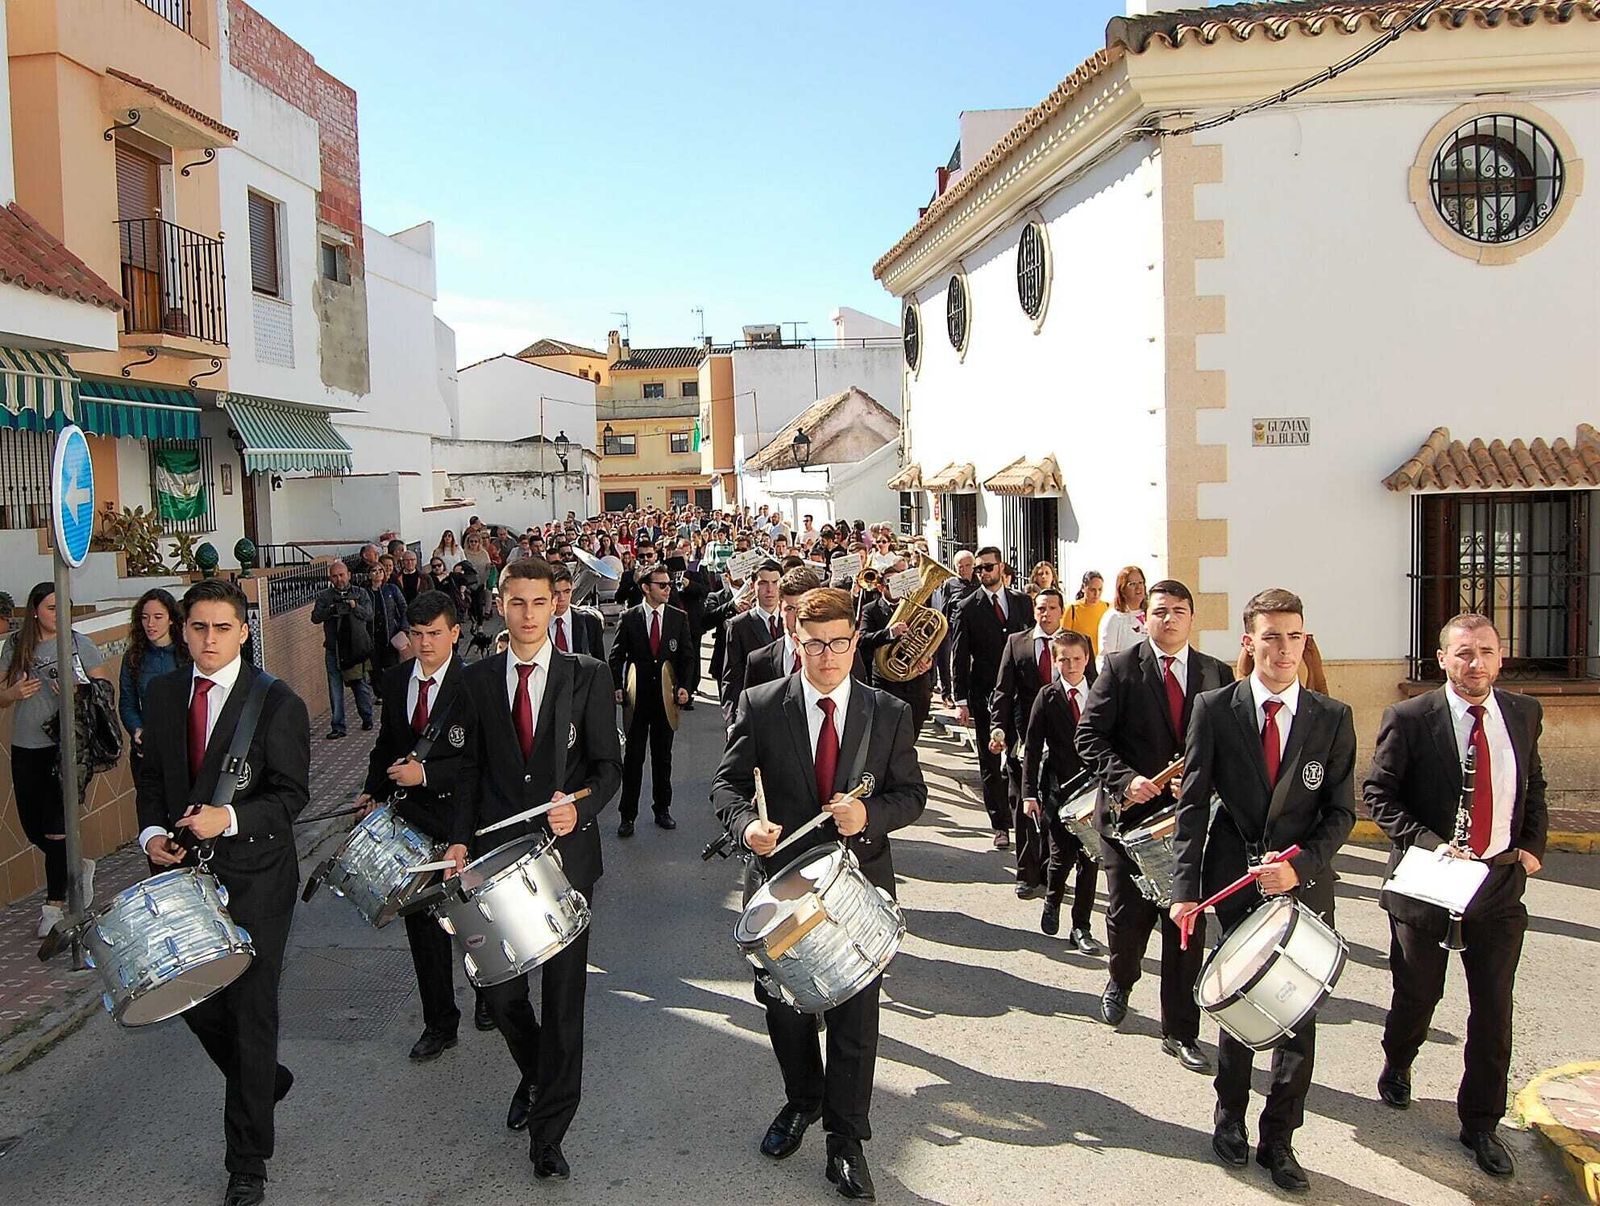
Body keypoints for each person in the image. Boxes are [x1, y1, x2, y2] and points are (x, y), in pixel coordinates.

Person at [711, 587, 927, 1202]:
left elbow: (911, 795)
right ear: (795, 643)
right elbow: (726, 787)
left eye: (837, 643)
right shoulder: (760, 704)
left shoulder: (888, 712)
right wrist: (745, 826)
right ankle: (802, 1100)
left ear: (855, 642)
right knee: (786, 1011)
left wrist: (870, 815)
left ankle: (845, 1142)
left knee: (857, 1020)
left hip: (858, 888)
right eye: (813, 644)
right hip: (782, 890)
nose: (826, 655)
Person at [1167, 589, 1357, 1193]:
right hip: (1235, 884)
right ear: (1248, 642)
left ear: (1306, 641)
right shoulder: (1215, 708)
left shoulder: (1332, 717)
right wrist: (1183, 891)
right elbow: (1193, 806)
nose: (1283, 649)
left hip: (1301, 889)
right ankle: (1229, 1116)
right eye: (1270, 636)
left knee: (1298, 1021)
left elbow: (1341, 814)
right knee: (1239, 1010)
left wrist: (1299, 868)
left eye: (1293, 636)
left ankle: (1281, 1139)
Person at [443, 557, 622, 1180]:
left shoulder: (588, 676)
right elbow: (465, 771)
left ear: (555, 605)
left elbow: (608, 767)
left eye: (537, 602)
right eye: (515, 602)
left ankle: (550, 1133)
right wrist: (459, 842)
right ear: (500, 602)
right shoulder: (476, 679)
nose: (525, 614)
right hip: (495, 865)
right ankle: (540, 1074)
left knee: (565, 998)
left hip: (567, 862)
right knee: (500, 991)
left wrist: (583, 807)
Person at [136, 578, 311, 1206]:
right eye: (198, 628)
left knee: (251, 1009)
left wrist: (229, 819)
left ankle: (247, 1163)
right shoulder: (161, 695)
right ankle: (262, 1078)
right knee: (187, 998)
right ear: (183, 632)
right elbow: (152, 777)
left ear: (243, 632)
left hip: (258, 877)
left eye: (222, 628)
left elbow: (291, 795)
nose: (209, 640)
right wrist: (153, 832)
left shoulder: (277, 702)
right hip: (183, 877)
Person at [1364, 613, 1546, 1181]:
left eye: (1486, 652)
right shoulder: (1410, 717)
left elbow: (1531, 782)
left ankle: (1481, 1124)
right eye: (1463, 653)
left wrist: (1533, 845)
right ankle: (1399, 1059)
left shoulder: (1522, 712)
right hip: (1429, 881)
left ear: (1501, 656)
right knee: (1419, 993)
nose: (1476, 664)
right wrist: (1433, 845)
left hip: (1497, 885)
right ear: (1442, 658)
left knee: (1493, 1009)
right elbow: (1378, 793)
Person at [1075, 579, 1228, 1072]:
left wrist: (1206, 786)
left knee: (1185, 926)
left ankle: (1180, 1030)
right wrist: (1127, 780)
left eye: (1179, 611)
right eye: (1160, 611)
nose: (1169, 619)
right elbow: (1089, 737)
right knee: (1128, 919)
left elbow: (1229, 751)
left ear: (1191, 617)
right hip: (1128, 820)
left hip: (1188, 827)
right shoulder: (1120, 669)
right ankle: (1120, 978)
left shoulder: (1216, 673)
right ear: (1146, 618)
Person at [356, 590, 469, 1063]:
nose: (425, 644)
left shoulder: (474, 684)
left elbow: (477, 763)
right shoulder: (397, 678)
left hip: (463, 818)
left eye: (435, 634)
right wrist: (371, 790)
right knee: (423, 928)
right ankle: (439, 1022)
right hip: (412, 824)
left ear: (455, 634)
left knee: (473, 919)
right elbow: (386, 746)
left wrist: (427, 774)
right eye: (418, 634)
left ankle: (489, 999)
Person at [0, 582, 111, 935]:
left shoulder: (80, 645)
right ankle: (78, 865)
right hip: (26, 745)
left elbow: (104, 691)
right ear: (34, 610)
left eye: (63, 606)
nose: (57, 614)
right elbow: (0, 694)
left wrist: (79, 690)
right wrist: (13, 693)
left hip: (67, 747)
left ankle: (53, 907)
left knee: (56, 828)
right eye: (51, 607)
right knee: (34, 826)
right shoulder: (17, 645)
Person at [1021, 629, 1102, 950]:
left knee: (1090, 858)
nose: (1071, 666)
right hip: (1059, 790)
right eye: (1064, 659)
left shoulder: (1099, 692)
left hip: (1095, 792)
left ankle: (1081, 926)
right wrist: (1029, 794)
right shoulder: (1048, 696)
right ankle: (1052, 900)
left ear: (1087, 659)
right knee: (1060, 856)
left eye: (1077, 659)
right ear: (1055, 661)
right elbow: (1031, 747)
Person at [951, 548, 1033, 849]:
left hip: (1021, 695)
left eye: (988, 567)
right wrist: (960, 699)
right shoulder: (967, 606)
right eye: (979, 569)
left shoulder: (1023, 603)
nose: (983, 573)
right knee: (990, 759)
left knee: (1019, 757)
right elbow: (959, 655)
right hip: (985, 695)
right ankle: (1000, 824)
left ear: (1001, 567)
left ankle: (1021, 817)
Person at [990, 587, 1068, 898]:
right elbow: (1002, 691)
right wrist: (999, 728)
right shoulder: (1016, 643)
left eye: (1051, 607)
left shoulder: (1076, 643)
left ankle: (1051, 869)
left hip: (1063, 741)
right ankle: (1026, 873)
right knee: (1023, 804)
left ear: (1061, 611)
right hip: (1023, 738)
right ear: (1033, 611)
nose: (1046, 613)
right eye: (1040, 608)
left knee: (1053, 807)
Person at [607, 562, 694, 836]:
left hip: (666, 701)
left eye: (669, 584)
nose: (669, 589)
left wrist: (684, 687)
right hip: (637, 699)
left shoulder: (678, 618)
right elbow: (616, 655)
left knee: (662, 757)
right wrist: (618, 686)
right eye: (662, 585)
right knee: (633, 759)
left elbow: (687, 657)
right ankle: (627, 815)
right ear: (646, 588)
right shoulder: (630, 617)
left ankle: (662, 809)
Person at [120, 588, 189, 771]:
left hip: (184, 747)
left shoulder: (188, 654)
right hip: (148, 748)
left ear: (171, 619)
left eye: (158, 617)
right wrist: (137, 730)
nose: (150, 624)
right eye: (145, 617)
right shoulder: (133, 657)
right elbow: (127, 703)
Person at [310, 560, 374, 739]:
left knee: (359, 684)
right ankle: (338, 726)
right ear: (330, 578)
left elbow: (369, 615)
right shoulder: (325, 596)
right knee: (335, 688)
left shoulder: (360, 593)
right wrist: (330, 610)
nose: (339, 579)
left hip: (354, 648)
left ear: (349, 575)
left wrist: (355, 607)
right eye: (335, 576)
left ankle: (367, 717)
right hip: (333, 648)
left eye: (342, 575)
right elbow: (315, 618)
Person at [720, 559, 785, 728]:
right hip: (754, 712)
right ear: (753, 586)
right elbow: (732, 676)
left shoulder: (793, 621)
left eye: (775, 583)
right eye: (763, 583)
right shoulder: (739, 625)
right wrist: (732, 720)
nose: (770, 590)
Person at [742, 566, 822, 699]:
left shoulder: (841, 656)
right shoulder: (759, 661)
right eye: (790, 609)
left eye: (806, 608)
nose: (798, 617)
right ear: (780, 607)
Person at [934, 549, 978, 707]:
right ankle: (947, 693)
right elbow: (945, 607)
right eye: (960, 566)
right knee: (946, 659)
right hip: (953, 627)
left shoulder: (979, 583)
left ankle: (969, 697)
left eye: (968, 565)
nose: (964, 569)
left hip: (974, 628)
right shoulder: (950, 584)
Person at [1097, 565, 1148, 670]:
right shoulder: (1114, 618)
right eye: (1132, 584)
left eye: (1141, 583)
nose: (1138, 588)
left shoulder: (1151, 615)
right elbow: (1106, 657)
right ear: (1122, 589)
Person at [549, 566, 604, 657]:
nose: (562, 598)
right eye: (556, 593)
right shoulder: (538, 623)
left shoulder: (589, 622)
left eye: (567, 592)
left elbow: (599, 662)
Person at [1063, 570, 1110, 660]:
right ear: (1084, 588)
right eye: (1092, 590)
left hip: (1103, 659)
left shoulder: (1107, 607)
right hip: (1080, 659)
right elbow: (1065, 641)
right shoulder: (1072, 609)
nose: (1097, 594)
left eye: (1100, 589)